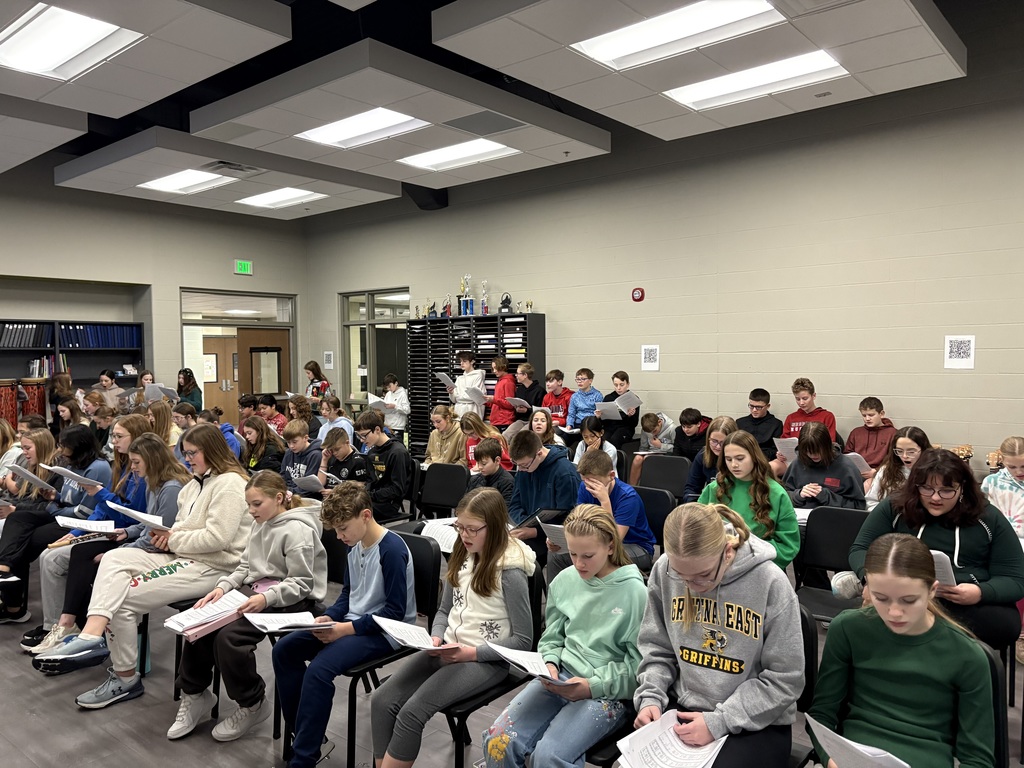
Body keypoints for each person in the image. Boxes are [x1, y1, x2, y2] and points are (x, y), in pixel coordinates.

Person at [33, 424, 252, 709]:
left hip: (213, 566)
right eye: (185, 453)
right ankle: (91, 634)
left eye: (192, 453)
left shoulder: (230, 484)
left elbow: (217, 538)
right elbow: (182, 527)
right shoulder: (195, 484)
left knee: (122, 599)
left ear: (212, 450)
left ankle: (125, 678)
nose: (187, 459)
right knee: (113, 558)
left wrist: (171, 539)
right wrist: (169, 537)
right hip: (183, 555)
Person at [371, 488, 536, 768]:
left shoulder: (510, 571)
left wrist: (470, 653)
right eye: (460, 527)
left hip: (486, 661)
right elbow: (444, 610)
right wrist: (436, 637)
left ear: (495, 527)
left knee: (412, 712)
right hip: (447, 649)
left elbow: (523, 640)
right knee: (381, 699)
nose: (464, 535)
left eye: (472, 529)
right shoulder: (462, 553)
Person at [634, 502, 803, 767]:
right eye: (681, 576)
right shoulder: (664, 570)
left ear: (727, 551)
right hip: (686, 705)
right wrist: (650, 697)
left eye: (702, 575)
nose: (692, 587)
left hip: (757, 718)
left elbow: (786, 680)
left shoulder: (770, 581)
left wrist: (720, 721)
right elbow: (656, 648)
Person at [808, 533, 995, 768]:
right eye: (881, 598)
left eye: (908, 600)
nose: (894, 612)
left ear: (932, 590)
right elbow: (821, 715)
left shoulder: (966, 655)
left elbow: (977, 759)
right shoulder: (848, 629)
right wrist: (830, 759)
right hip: (852, 758)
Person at [482, 504, 646, 768]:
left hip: (607, 691)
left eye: (588, 555)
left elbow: (638, 670)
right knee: (498, 740)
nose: (579, 563)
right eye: (573, 553)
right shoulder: (565, 580)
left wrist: (592, 686)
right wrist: (549, 663)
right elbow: (552, 637)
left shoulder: (635, 594)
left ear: (610, 546)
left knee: (548, 756)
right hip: (559, 678)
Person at [168, 471, 327, 742]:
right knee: (201, 626)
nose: (251, 511)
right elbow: (245, 566)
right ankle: (195, 694)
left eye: (257, 504)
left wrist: (267, 598)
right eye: (248, 505)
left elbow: (301, 583)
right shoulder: (260, 522)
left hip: (291, 599)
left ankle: (252, 703)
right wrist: (222, 587)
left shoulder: (298, 530)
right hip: (258, 591)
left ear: (279, 498)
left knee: (230, 639)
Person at [272, 481, 416, 768]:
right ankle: (306, 736)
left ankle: (304, 758)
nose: (339, 537)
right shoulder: (355, 545)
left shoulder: (391, 550)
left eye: (342, 529)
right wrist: (331, 617)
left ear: (365, 515)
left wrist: (344, 629)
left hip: (388, 632)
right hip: (355, 624)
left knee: (319, 671)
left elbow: (394, 613)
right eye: (336, 531)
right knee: (284, 650)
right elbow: (349, 595)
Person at [29, 430, 187, 655]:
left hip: (158, 550)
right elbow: (146, 524)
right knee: (80, 553)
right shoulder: (153, 482)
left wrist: (122, 547)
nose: (133, 467)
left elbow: (157, 536)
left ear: (152, 460)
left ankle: (77, 627)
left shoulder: (169, 488)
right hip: (138, 539)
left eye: (136, 462)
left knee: (87, 557)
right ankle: (70, 624)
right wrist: (127, 532)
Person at [847, 448, 1024, 650]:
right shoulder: (896, 507)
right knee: (860, 622)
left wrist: (980, 592)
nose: (936, 498)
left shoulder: (987, 517)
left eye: (947, 490)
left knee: (1003, 626)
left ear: (962, 487)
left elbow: (1015, 578)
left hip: (964, 599)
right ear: (915, 486)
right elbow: (860, 549)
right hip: (902, 593)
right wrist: (869, 579)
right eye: (927, 489)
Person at [0, 425, 111, 620]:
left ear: (77, 446)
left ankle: (15, 607)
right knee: (17, 520)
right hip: (61, 514)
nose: (60, 450)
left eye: (63, 446)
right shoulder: (72, 464)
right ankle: (4, 571)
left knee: (24, 541)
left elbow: (83, 512)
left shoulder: (97, 468)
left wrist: (53, 507)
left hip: (76, 521)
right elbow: (68, 498)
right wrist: (55, 496)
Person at [547, 450, 654, 582]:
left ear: (611, 476)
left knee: (601, 556)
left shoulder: (628, 497)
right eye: (585, 481)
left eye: (595, 482)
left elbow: (614, 540)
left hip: (636, 546)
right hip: (598, 541)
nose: (589, 487)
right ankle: (557, 594)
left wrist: (605, 502)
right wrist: (559, 538)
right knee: (557, 555)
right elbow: (578, 521)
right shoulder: (584, 487)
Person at [698, 431, 799, 570]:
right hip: (717, 566)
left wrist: (746, 554)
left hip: (759, 567)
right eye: (728, 459)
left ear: (754, 457)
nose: (734, 465)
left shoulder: (776, 493)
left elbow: (788, 545)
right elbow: (697, 529)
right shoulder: (714, 488)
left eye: (740, 458)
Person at [0, 428, 62, 622]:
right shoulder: (30, 466)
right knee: (16, 544)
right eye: (23, 448)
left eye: (28, 448)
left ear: (41, 447)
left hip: (49, 518)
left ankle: (5, 578)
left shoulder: (56, 471)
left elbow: (51, 506)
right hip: (28, 516)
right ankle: (13, 607)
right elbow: (24, 498)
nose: (24, 452)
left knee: (15, 534)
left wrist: (15, 509)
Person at [507, 430, 581, 566]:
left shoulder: (564, 473)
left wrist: (534, 532)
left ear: (539, 453)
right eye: (517, 464)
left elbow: (569, 518)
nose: (521, 469)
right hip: (525, 528)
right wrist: (524, 524)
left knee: (517, 560)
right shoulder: (524, 468)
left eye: (524, 465)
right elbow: (514, 504)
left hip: (550, 537)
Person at [982, 436, 1024, 663]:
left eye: (1023, 466)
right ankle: (1019, 632)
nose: (1019, 472)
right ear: (1002, 460)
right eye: (1012, 466)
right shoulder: (992, 482)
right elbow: (983, 516)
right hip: (1001, 540)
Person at [782, 422, 865, 512]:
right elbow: (781, 497)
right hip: (800, 515)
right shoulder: (797, 463)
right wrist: (798, 495)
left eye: (818, 450)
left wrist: (827, 497)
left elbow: (859, 506)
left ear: (827, 446)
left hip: (833, 516)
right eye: (808, 451)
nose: (813, 455)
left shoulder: (846, 467)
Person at [354, 410, 409, 523]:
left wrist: (370, 495)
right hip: (374, 499)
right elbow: (370, 481)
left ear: (377, 430)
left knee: (351, 510)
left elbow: (396, 489)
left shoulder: (397, 452)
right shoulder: (372, 453)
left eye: (364, 435)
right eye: (359, 436)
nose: (362, 440)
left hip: (389, 504)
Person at [864, 425, 931, 510]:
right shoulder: (887, 470)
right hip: (890, 516)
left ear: (923, 450)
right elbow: (871, 502)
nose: (904, 456)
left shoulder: (932, 471)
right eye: (899, 451)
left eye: (911, 452)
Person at [682, 416, 738, 502]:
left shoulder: (740, 458)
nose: (718, 447)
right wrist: (694, 505)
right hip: (711, 504)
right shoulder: (703, 455)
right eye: (714, 441)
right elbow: (692, 488)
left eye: (723, 442)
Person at [844, 396, 897, 480]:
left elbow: (894, 459)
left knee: (868, 484)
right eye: (864, 415)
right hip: (856, 473)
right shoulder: (856, 432)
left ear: (881, 414)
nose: (867, 419)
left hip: (881, 474)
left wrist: (876, 471)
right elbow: (847, 455)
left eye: (871, 415)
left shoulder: (892, 433)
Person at [735, 388, 782, 464]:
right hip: (742, 461)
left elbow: (775, 450)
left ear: (768, 406)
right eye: (751, 406)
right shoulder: (740, 423)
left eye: (758, 407)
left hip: (765, 462)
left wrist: (755, 457)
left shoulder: (776, 424)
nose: (754, 410)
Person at [629, 412, 675, 485]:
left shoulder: (672, 429)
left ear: (659, 422)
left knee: (648, 458)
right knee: (637, 458)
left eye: (654, 431)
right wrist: (641, 453)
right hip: (651, 452)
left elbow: (676, 448)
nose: (653, 434)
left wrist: (660, 445)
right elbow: (643, 447)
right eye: (650, 433)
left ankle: (648, 486)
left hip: (666, 454)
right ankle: (632, 487)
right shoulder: (646, 430)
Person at [280, 419, 323, 498]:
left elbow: (310, 487)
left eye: (294, 442)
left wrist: (289, 491)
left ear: (305, 438)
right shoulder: (289, 453)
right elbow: (283, 476)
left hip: (307, 497)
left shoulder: (316, 455)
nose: (291, 446)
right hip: (289, 493)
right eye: (288, 442)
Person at [317, 427, 368, 493]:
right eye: (331, 450)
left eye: (337, 449)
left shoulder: (357, 462)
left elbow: (361, 489)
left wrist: (335, 492)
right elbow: (320, 484)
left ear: (347, 443)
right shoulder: (331, 458)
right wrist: (324, 460)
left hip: (344, 498)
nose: (334, 453)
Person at [467, 437, 515, 505]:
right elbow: (466, 504)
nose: (479, 467)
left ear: (497, 460)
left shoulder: (507, 482)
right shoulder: (474, 479)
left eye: (484, 463)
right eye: (478, 463)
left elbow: (506, 509)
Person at [601, 371, 640, 448]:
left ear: (628, 384)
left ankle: (616, 456)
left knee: (615, 440)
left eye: (622, 385)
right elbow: (604, 422)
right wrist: (599, 416)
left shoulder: (633, 398)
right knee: (603, 440)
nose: (618, 388)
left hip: (625, 428)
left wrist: (630, 416)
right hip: (610, 428)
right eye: (616, 385)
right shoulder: (608, 398)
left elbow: (634, 424)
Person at [447, 350, 486, 418]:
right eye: (460, 361)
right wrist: (451, 393)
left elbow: (474, 397)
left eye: (464, 361)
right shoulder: (459, 379)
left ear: (472, 362)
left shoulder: (478, 376)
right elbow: (454, 400)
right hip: (458, 413)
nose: (461, 363)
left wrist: (458, 397)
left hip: (472, 413)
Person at [484, 356, 517, 431]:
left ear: (503, 366)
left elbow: (510, 404)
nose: (494, 371)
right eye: (493, 368)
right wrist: (485, 401)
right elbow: (497, 403)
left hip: (504, 421)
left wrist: (493, 400)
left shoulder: (508, 382)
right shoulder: (500, 381)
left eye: (496, 368)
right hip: (496, 421)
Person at [381, 373, 410, 443]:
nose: (389, 389)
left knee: (396, 445)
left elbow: (407, 410)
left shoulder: (402, 394)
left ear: (396, 383)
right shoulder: (388, 394)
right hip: (387, 425)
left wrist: (395, 406)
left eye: (390, 386)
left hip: (397, 426)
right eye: (387, 387)